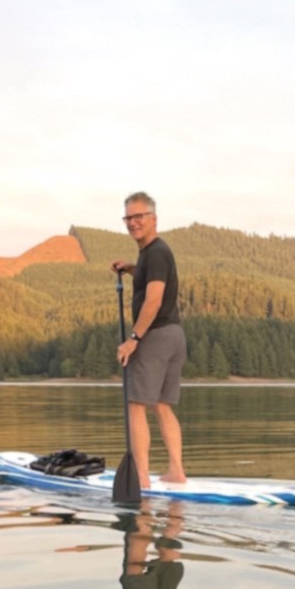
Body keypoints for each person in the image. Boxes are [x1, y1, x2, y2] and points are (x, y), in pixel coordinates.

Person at [111, 193, 188, 488]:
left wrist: (133, 339)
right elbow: (152, 280)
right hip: (174, 335)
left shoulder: (155, 253)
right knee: (162, 405)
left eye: (139, 216)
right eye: (128, 218)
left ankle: (141, 477)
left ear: (153, 218)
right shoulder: (153, 254)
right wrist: (132, 269)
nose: (133, 223)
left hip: (154, 337)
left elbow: (153, 300)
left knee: (136, 405)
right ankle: (176, 471)